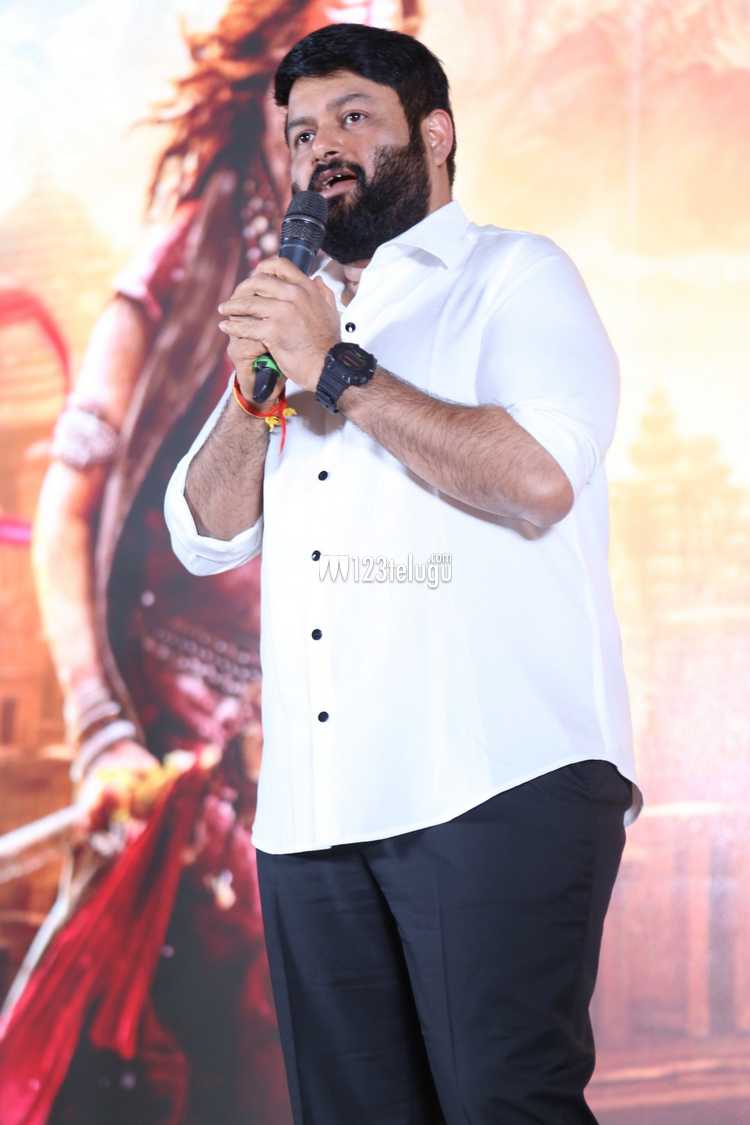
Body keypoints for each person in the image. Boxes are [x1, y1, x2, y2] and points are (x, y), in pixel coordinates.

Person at [165, 21, 643, 1125]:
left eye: (352, 118)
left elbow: (536, 479)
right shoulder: (300, 311)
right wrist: (255, 387)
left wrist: (336, 367)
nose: (320, 149)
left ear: (434, 133)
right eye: (300, 133)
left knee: (504, 1105)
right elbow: (204, 532)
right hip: (313, 812)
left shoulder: (515, 275)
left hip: (499, 782)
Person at [10, 5, 421, 1123]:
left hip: (328, 757)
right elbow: (67, 504)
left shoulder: (406, 273)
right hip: (178, 780)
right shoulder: (189, 262)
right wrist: (101, 729)